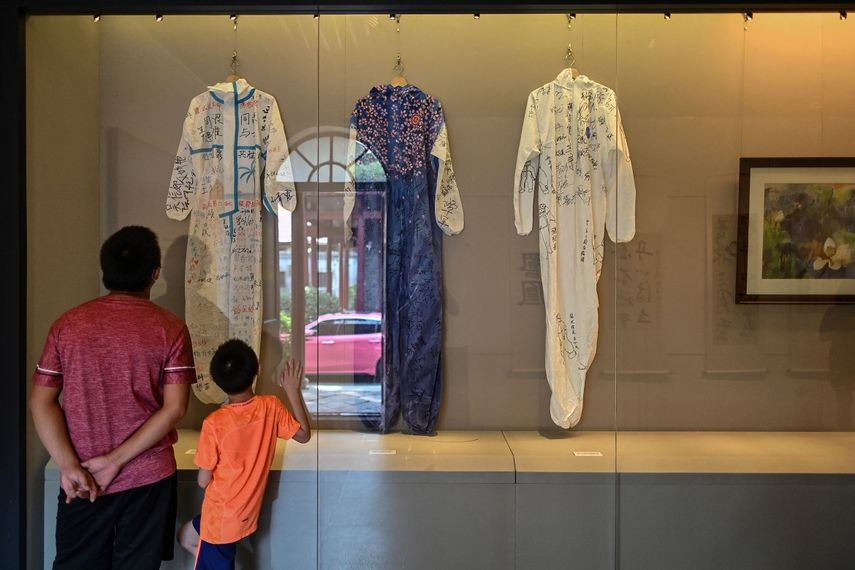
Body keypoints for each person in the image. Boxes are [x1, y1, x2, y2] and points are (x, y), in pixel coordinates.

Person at [29, 226, 195, 570]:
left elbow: (40, 401)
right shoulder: (171, 328)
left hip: (82, 477)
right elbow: (175, 407)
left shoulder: (67, 325)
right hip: (148, 477)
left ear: (105, 272)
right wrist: (116, 460)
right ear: (155, 274)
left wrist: (69, 465)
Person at [177, 340, 311, 569]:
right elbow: (303, 435)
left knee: (209, 553)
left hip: (220, 518)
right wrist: (292, 390)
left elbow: (202, 481)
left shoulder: (215, 423)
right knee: (186, 536)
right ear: (257, 369)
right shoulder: (270, 406)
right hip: (243, 512)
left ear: (215, 379)